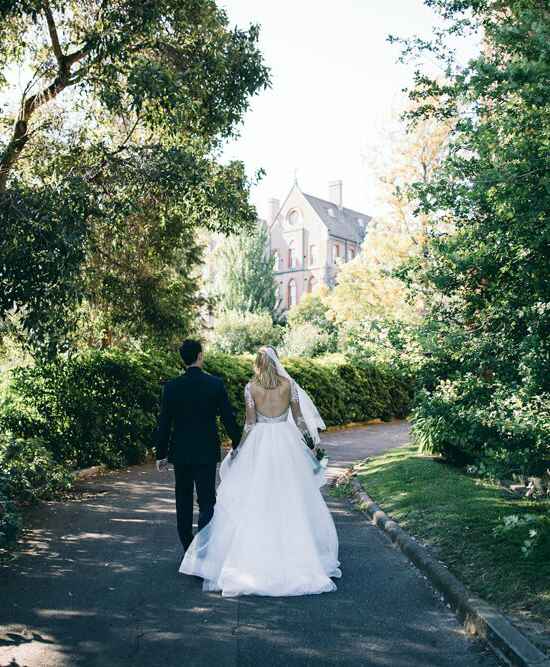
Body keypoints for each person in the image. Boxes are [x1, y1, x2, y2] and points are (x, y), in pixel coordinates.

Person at [179, 346, 341, 597]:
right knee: (291, 498)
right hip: (286, 444)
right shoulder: (289, 385)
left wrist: (239, 448)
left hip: (261, 443)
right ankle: (296, 555)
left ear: (257, 364)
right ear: (276, 362)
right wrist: (310, 444)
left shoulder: (251, 388)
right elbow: (298, 420)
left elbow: (250, 423)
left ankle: (255, 558)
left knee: (257, 498)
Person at [155, 339, 241, 553]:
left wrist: (161, 454)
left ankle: (187, 546)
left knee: (182, 499)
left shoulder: (171, 387)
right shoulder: (215, 384)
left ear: (183, 359)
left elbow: (164, 422)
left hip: (181, 453)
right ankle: (203, 546)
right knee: (207, 500)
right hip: (206, 451)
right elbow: (228, 417)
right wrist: (238, 442)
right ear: (200, 356)